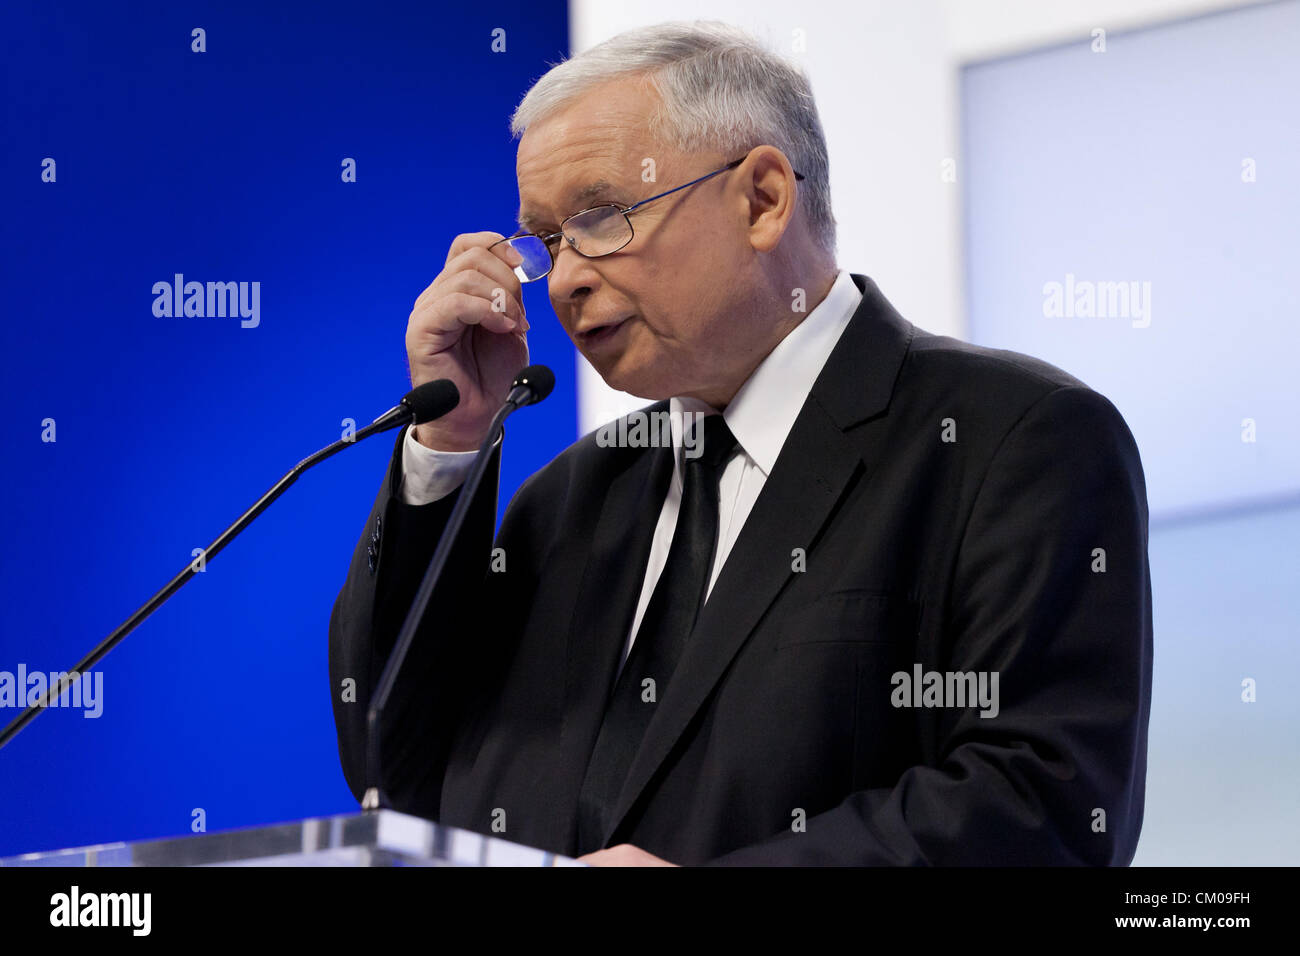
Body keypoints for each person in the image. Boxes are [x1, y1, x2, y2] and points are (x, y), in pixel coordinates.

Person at [328, 21, 1152, 866]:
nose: (565, 278)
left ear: (762, 199)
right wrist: (452, 438)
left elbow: (1042, 807)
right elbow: (394, 769)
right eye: (546, 242)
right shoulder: (567, 501)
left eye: (602, 218)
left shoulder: (1014, 440)